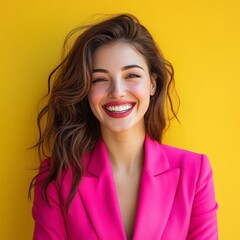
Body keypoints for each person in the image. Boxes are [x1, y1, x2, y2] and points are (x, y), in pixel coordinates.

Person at [30, 14, 218, 240]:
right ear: (85, 90)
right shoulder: (57, 177)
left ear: (152, 83)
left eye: (131, 75)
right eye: (100, 79)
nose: (117, 91)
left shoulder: (194, 172)